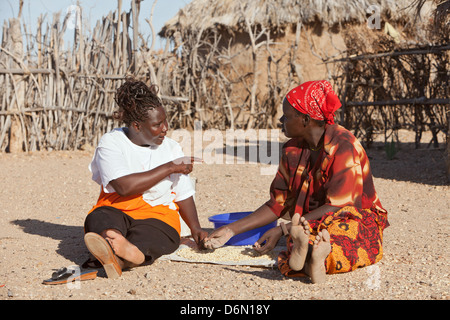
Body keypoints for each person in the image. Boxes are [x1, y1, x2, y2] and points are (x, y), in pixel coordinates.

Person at [203, 80, 389, 284]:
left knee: (348, 235)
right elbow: (278, 203)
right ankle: (312, 256)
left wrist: (285, 229)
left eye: (287, 116)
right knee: (302, 237)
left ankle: (316, 257)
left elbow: (339, 206)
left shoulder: (344, 146)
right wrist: (231, 230)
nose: (281, 120)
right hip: (309, 222)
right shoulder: (292, 150)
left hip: (352, 217)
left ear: (305, 119)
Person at [83, 78, 207, 279]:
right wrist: (170, 167)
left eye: (165, 121)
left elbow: (183, 192)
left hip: (157, 215)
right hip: (118, 210)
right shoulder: (112, 143)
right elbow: (123, 187)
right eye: (158, 124)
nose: (165, 128)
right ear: (137, 126)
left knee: (162, 235)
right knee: (99, 218)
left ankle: (120, 254)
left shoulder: (171, 148)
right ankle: (115, 244)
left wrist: (196, 229)